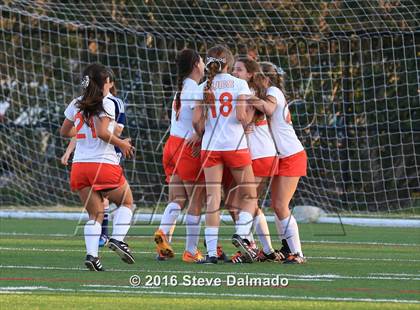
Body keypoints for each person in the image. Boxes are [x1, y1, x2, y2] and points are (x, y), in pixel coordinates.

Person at [60, 63, 135, 271]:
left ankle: (92, 256)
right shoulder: (107, 102)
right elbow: (102, 132)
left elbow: (64, 132)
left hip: (80, 167)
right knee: (127, 202)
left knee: (95, 215)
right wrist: (122, 143)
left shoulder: (76, 103)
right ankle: (118, 239)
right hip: (102, 163)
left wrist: (83, 131)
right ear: (105, 83)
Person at [192, 45, 259, 264]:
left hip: (211, 147)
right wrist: (250, 120)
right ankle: (241, 234)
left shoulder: (202, 86)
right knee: (250, 196)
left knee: (213, 200)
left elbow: (196, 123)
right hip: (235, 146)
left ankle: (211, 253)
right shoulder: (240, 84)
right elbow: (241, 116)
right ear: (228, 64)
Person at [249, 61, 307, 264]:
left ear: (265, 79)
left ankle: (297, 253)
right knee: (276, 205)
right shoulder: (267, 92)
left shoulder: (273, 91)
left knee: (281, 205)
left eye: (256, 77)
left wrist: (246, 97)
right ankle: (286, 247)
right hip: (281, 156)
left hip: (291, 154)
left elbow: (269, 109)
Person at [154, 48, 207, 263]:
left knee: (176, 199)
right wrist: (199, 134)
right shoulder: (195, 89)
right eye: (202, 61)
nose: (204, 65)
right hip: (186, 146)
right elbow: (197, 119)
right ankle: (191, 251)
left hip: (171, 145)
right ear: (196, 65)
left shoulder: (180, 89)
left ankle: (163, 235)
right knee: (196, 202)